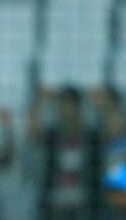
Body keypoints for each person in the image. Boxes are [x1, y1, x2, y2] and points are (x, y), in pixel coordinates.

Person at [28, 86, 103, 220]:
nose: (66, 110)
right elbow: (33, 132)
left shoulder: (91, 136)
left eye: (70, 105)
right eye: (63, 105)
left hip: (84, 205)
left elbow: (115, 132)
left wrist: (101, 103)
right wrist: (40, 101)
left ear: (79, 107)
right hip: (56, 206)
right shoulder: (53, 135)